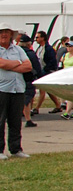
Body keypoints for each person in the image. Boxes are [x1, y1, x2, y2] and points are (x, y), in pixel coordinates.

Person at [0, 22, 33, 159]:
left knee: (15, 121)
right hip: (2, 89)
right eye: (1, 32)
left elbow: (28, 66)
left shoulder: (18, 50)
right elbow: (1, 63)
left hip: (17, 89)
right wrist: (18, 64)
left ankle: (16, 148)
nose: (4, 34)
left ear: (11, 35)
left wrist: (10, 65)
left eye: (7, 32)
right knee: (0, 120)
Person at [32, 30, 60, 114]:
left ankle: (36, 108)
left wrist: (46, 70)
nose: (36, 39)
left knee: (42, 89)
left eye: (37, 37)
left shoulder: (49, 49)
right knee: (47, 90)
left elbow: (52, 61)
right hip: (41, 71)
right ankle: (58, 105)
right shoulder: (40, 48)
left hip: (47, 71)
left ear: (43, 38)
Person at [18, 34, 42, 128]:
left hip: (17, 78)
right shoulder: (31, 54)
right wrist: (39, 77)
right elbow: (37, 67)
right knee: (27, 99)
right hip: (28, 79)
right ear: (29, 44)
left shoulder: (16, 52)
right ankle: (28, 119)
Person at [59, 41, 73, 119]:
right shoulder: (65, 55)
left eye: (71, 46)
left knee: (70, 94)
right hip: (66, 76)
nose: (69, 48)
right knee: (70, 95)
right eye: (68, 46)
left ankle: (67, 112)